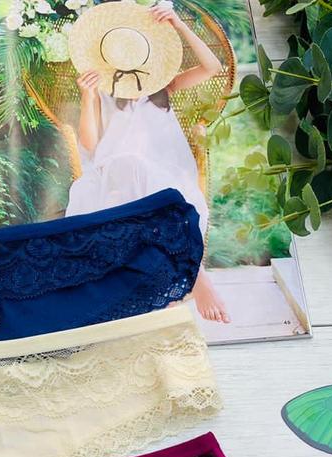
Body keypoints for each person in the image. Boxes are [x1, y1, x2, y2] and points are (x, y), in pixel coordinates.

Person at [67, 1, 230, 323]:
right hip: (112, 176)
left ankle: (183, 275)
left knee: (149, 184)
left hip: (165, 177)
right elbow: (90, 145)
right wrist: (88, 97)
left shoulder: (163, 86)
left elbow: (213, 67)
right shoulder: (102, 92)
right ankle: (193, 271)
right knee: (130, 164)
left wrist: (179, 25)